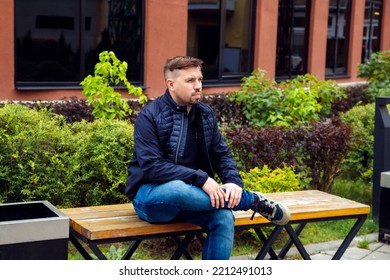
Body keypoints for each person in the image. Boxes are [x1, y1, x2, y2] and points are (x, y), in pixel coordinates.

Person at [125, 56, 290, 260]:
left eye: (200, 79)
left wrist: (233, 182)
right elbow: (152, 167)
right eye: (190, 81)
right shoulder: (149, 116)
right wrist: (201, 179)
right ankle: (251, 200)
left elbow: (221, 154)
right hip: (151, 197)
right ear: (171, 84)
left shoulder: (204, 115)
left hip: (193, 200)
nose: (198, 86)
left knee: (223, 217)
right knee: (177, 188)